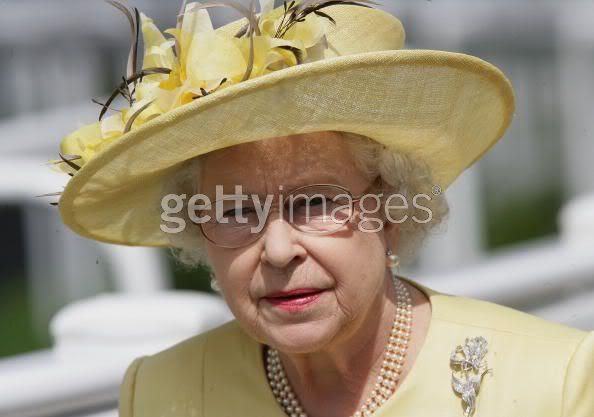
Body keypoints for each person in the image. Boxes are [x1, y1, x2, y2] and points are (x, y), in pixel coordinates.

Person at [48, 1, 593, 416]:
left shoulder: (555, 381)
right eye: (235, 212)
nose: (279, 250)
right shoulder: (162, 393)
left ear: (391, 212)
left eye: (315, 203)